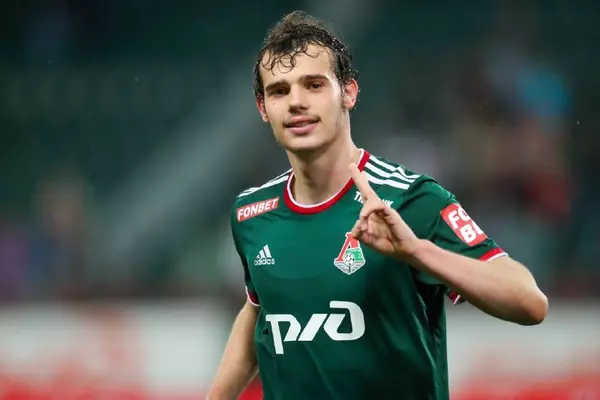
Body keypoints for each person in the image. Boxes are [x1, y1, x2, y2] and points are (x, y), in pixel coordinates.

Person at [207, 10, 548, 400]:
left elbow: (529, 302)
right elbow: (258, 309)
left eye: (314, 85)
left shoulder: (411, 200)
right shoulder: (252, 215)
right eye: (279, 91)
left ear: (349, 92)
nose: (296, 102)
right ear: (263, 108)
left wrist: (416, 251)